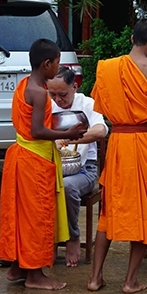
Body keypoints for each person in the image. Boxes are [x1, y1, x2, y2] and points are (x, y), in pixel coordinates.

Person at [87, 18, 147, 293]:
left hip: (119, 146)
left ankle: (95, 278)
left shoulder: (108, 68)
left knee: (109, 212)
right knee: (145, 211)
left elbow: (101, 105)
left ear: (130, 39)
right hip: (146, 144)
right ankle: (130, 280)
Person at [0, 38, 87, 290]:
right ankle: (34, 275)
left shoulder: (26, 83)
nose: (58, 67)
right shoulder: (38, 92)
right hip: (33, 159)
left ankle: (17, 267)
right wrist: (66, 135)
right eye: (56, 63)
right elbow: (37, 131)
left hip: (22, 155)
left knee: (22, 216)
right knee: (36, 218)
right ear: (46, 63)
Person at [47, 66, 108, 267]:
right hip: (53, 167)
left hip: (84, 169)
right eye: (52, 94)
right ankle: (51, 241)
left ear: (75, 86)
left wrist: (65, 139)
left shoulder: (88, 104)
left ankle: (72, 237)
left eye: (62, 94)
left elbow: (100, 131)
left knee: (67, 187)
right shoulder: (47, 105)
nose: (57, 100)